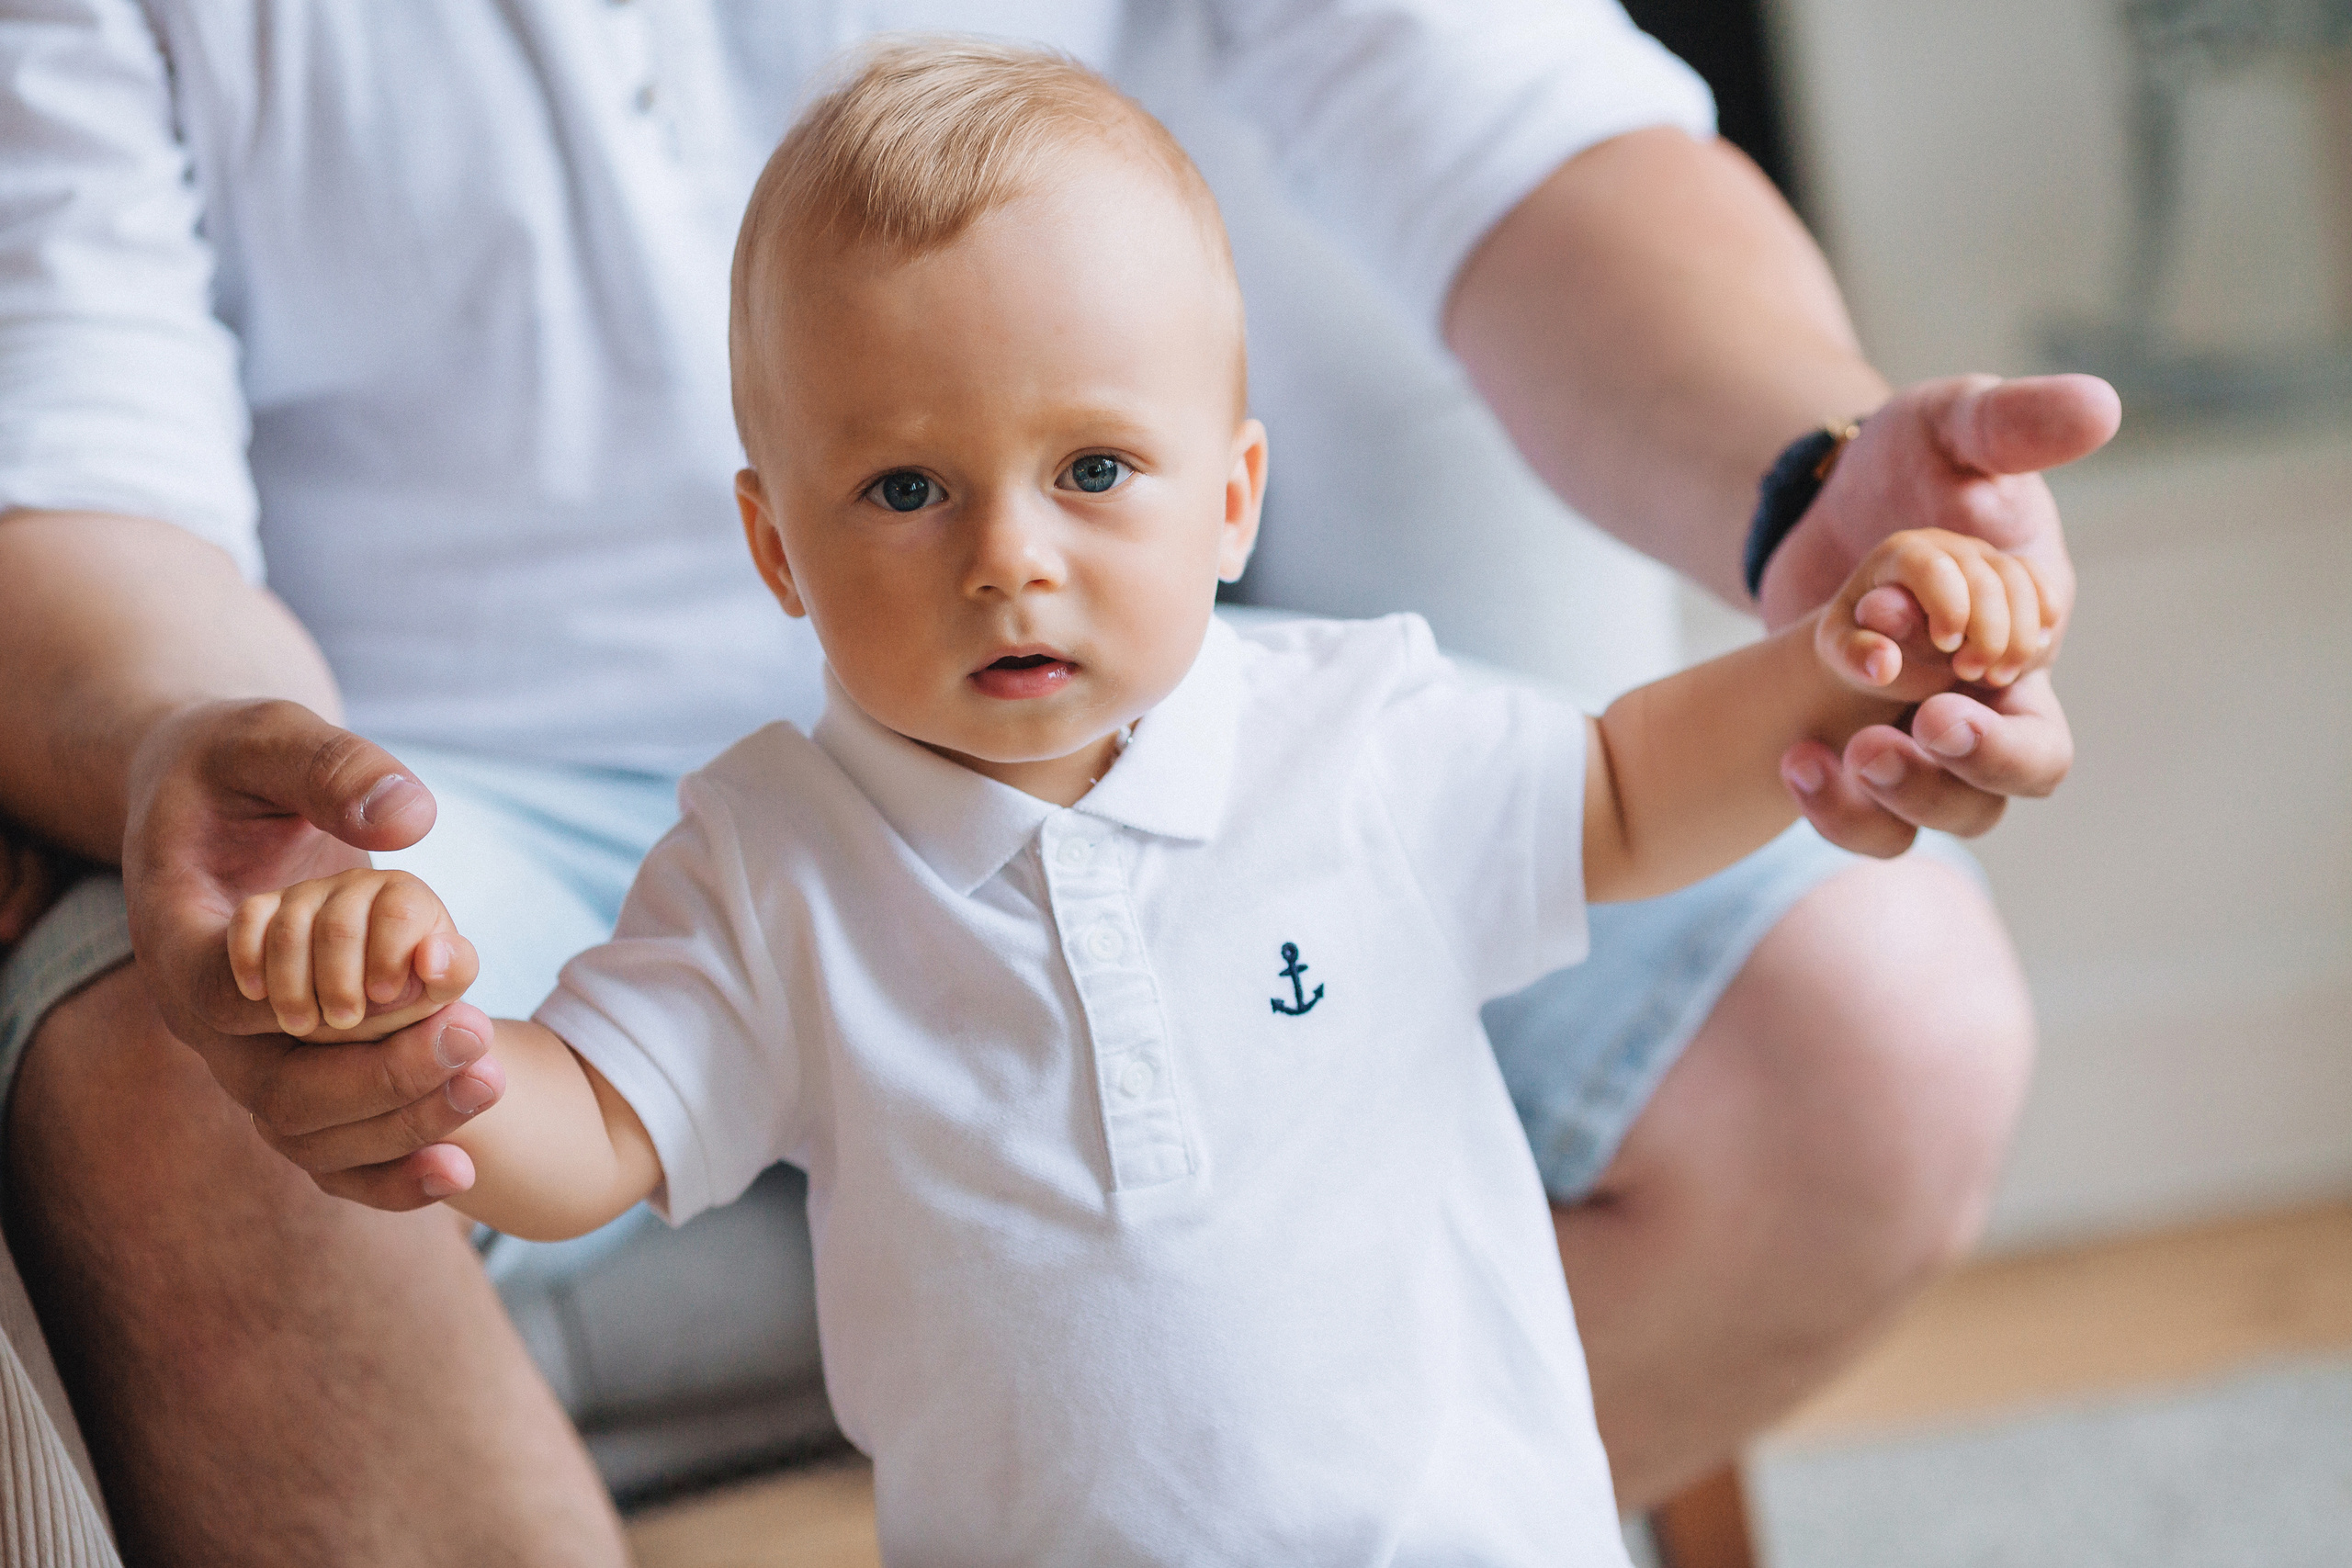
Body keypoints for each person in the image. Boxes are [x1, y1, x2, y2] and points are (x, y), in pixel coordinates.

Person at [0, 2, 2114, 1562]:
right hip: (448, 781)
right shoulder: (766, 864)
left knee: (1878, 1001)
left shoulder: (1351, 729)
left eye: (1094, 475)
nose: (1006, 550)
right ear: (777, 540)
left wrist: (1830, 600)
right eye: (907, 491)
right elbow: (578, 1118)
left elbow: (1631, 772)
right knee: (208, 1032)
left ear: (1229, 495)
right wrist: (394, 1002)